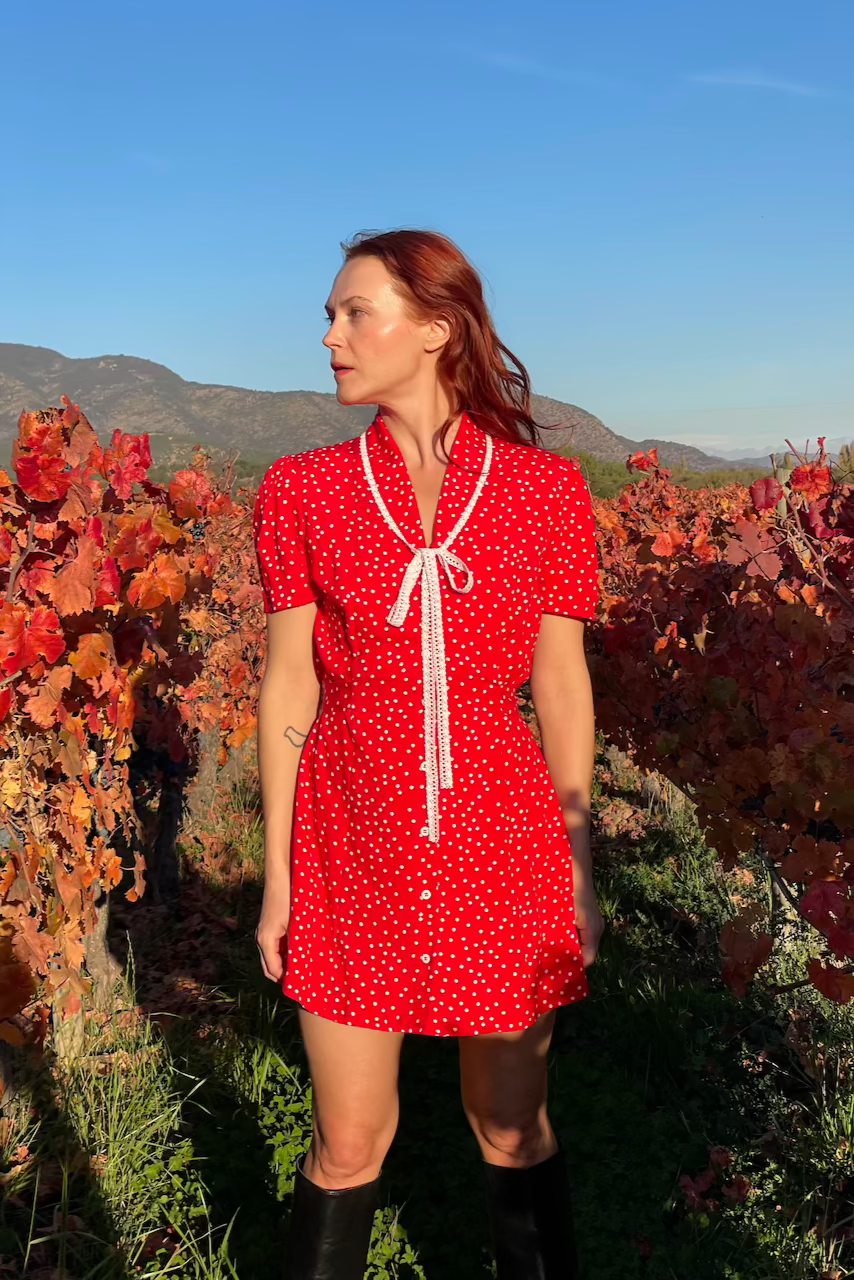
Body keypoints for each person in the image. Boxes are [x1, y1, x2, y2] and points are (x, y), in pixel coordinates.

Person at [252, 227, 604, 1280]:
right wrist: (278, 876)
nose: (329, 336)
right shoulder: (300, 489)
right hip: (349, 843)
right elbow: (289, 684)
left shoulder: (545, 491)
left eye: (353, 312)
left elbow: (560, 685)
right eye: (329, 315)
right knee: (347, 1140)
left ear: (436, 328)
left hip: (504, 843)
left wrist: (580, 867)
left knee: (511, 1123)